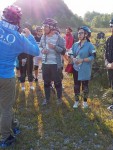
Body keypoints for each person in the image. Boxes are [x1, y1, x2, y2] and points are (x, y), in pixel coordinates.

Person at [0, 5, 39, 148]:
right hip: (7, 77)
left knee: (5, 106)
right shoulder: (20, 38)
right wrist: (30, 36)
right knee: (6, 108)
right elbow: (35, 51)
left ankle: (14, 125)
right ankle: (6, 137)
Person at [39, 18, 65, 105]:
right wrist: (42, 51)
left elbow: (63, 51)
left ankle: (59, 99)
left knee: (57, 82)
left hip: (55, 64)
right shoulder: (43, 37)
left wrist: (54, 47)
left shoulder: (59, 38)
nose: (44, 28)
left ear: (52, 27)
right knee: (46, 82)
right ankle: (47, 99)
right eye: (44, 26)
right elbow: (40, 47)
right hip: (45, 64)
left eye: (46, 26)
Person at [69, 26, 96, 109]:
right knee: (76, 85)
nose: (79, 34)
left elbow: (93, 57)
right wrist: (72, 58)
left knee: (85, 86)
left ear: (86, 34)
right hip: (76, 68)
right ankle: (76, 101)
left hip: (85, 69)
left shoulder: (90, 45)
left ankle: (84, 102)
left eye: (81, 33)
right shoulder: (75, 44)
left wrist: (83, 60)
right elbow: (70, 53)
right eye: (78, 33)